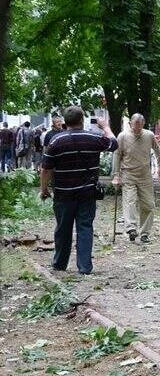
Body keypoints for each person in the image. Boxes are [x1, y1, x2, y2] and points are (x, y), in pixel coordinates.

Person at [39, 107, 118, 274]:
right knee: (85, 227)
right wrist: (105, 127)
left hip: (63, 193)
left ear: (65, 123)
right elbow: (114, 144)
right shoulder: (94, 138)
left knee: (62, 228)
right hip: (87, 193)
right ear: (82, 120)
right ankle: (84, 267)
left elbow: (46, 169)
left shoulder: (56, 141)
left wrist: (44, 189)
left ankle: (60, 263)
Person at [111, 114, 160, 243]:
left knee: (149, 204)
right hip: (128, 174)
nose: (137, 129)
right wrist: (116, 175)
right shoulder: (122, 136)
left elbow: (157, 151)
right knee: (130, 201)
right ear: (130, 123)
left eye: (140, 126)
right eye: (135, 126)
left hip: (145, 175)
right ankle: (131, 229)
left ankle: (145, 233)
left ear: (143, 124)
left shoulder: (149, 135)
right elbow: (117, 155)